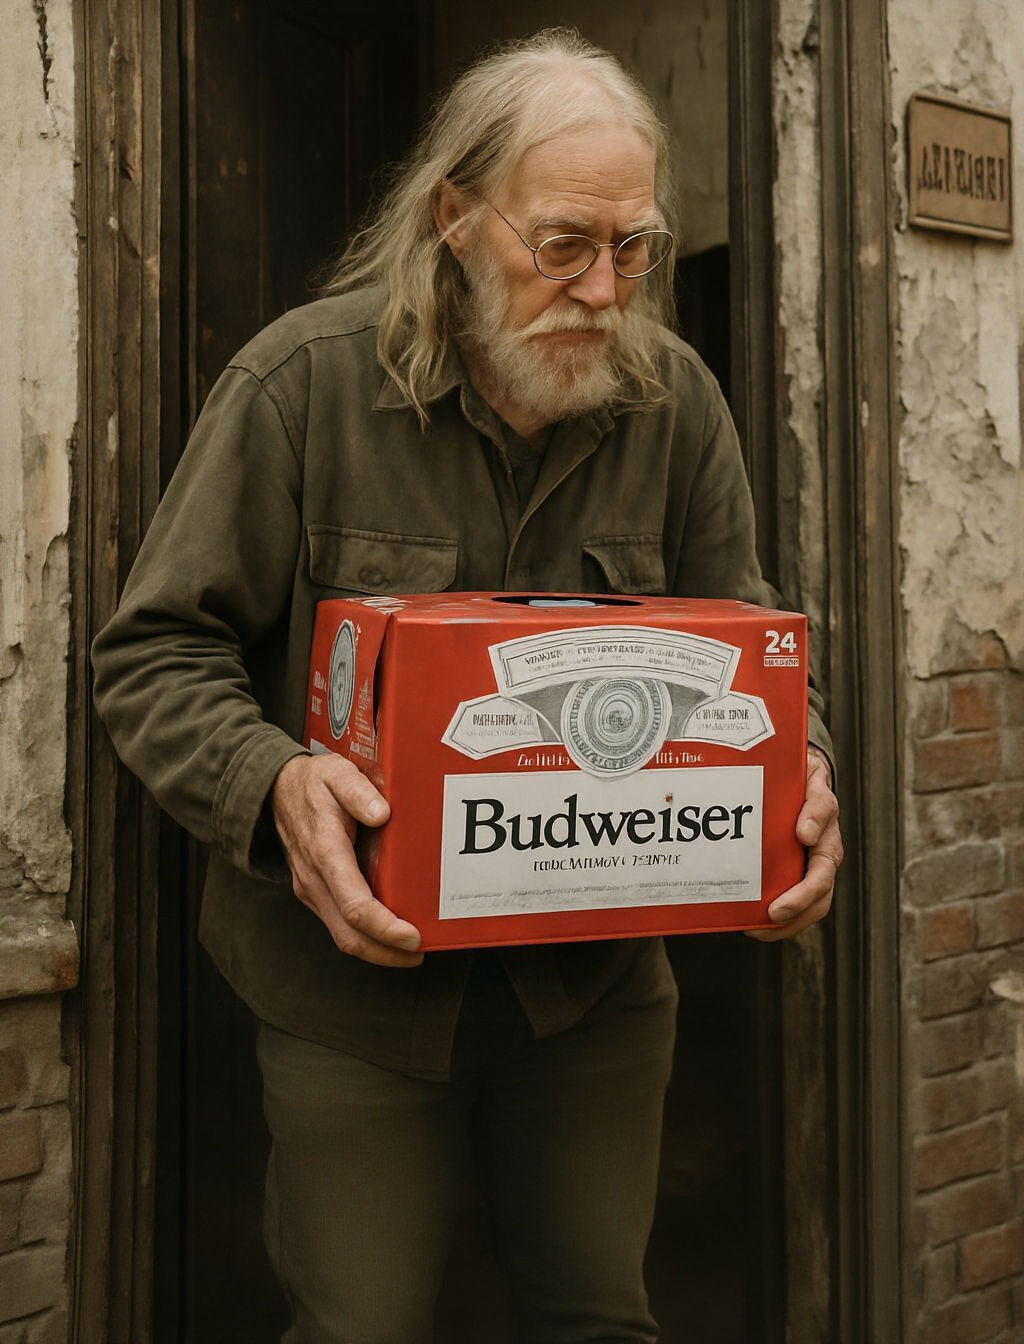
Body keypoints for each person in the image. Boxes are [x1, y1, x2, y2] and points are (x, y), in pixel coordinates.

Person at [92, 29, 842, 1344]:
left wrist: (803, 782)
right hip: (354, 996)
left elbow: (756, 644)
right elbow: (154, 655)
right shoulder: (299, 387)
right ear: (456, 217)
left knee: (598, 1316)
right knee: (361, 1324)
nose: (604, 288)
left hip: (597, 992)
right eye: (562, 243)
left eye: (635, 249)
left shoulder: (678, 408)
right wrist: (274, 779)